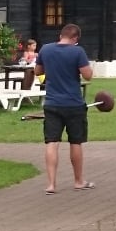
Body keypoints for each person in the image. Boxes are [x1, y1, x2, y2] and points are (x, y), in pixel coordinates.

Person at [35, 23, 94, 194]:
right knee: (75, 142)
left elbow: (38, 71)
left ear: (61, 35)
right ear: (75, 38)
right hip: (74, 104)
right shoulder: (78, 52)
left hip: (52, 103)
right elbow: (88, 76)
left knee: (52, 142)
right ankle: (78, 181)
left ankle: (51, 184)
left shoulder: (45, 49)